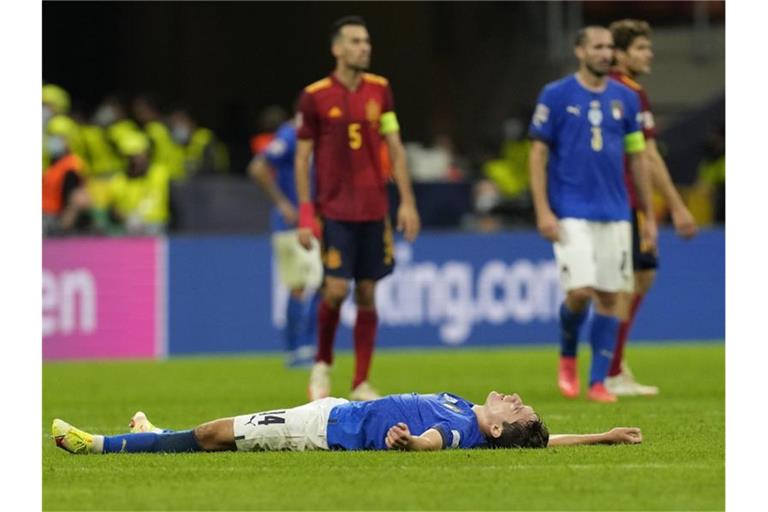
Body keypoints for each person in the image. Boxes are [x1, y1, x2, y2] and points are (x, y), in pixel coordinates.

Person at [528, 26, 657, 403]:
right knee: (580, 292)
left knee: (612, 296)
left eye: (609, 47)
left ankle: (598, 381)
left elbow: (638, 158)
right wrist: (542, 209)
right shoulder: (556, 95)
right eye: (597, 46)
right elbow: (537, 154)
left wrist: (647, 214)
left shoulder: (626, 99)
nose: (605, 53)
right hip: (570, 210)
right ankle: (568, 354)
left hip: (616, 211)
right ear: (580, 50)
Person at [294, 16, 421, 401]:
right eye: (355, 41)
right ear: (337, 48)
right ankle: (322, 367)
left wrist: (407, 203)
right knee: (334, 291)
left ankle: (361, 381)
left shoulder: (380, 90)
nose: (364, 47)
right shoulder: (315, 96)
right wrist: (304, 214)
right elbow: (302, 159)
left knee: (367, 293)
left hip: (374, 208)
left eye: (366, 41)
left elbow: (395, 146)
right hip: (334, 210)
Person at [52, 390, 643, 455]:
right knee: (213, 435)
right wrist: (604, 435)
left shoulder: (460, 430)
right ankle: (153, 433)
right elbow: (546, 442)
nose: (515, 398)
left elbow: (434, 444)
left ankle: (99, 445)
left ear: (495, 430)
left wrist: (412, 442)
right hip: (331, 412)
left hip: (322, 429)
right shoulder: (467, 409)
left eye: (517, 410)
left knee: (213, 434)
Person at [605, 19, 699, 396]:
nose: (650, 55)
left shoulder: (605, 88)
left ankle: (614, 364)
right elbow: (647, 156)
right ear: (622, 54)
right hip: (625, 199)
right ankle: (610, 370)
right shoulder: (629, 92)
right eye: (642, 48)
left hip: (616, 199)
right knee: (630, 280)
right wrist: (677, 205)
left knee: (637, 277)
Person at [248, 112, 323, 367]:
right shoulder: (290, 135)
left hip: (315, 220)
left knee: (322, 281)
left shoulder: (318, 136)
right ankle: (296, 348)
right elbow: (257, 167)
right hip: (292, 221)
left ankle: (307, 346)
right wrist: (282, 203)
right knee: (299, 285)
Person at [169, 108, 229, 175]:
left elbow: (214, 164)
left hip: (208, 179)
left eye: (181, 122)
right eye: (174, 124)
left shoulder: (204, 138)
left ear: (191, 122)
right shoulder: (177, 142)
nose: (178, 127)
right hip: (186, 182)